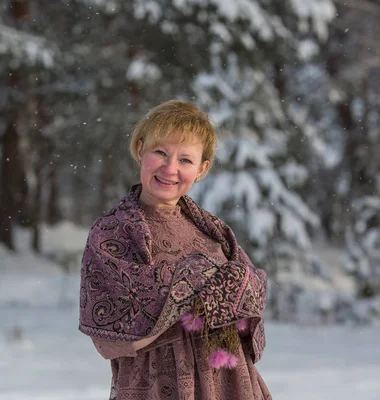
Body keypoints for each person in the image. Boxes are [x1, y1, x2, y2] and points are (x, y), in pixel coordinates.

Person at [79, 100, 271, 400]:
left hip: (229, 385)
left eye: (185, 160)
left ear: (201, 169)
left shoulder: (214, 231)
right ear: (141, 149)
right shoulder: (112, 233)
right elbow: (109, 337)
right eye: (161, 153)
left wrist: (234, 291)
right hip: (158, 385)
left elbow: (251, 299)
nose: (170, 169)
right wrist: (194, 284)